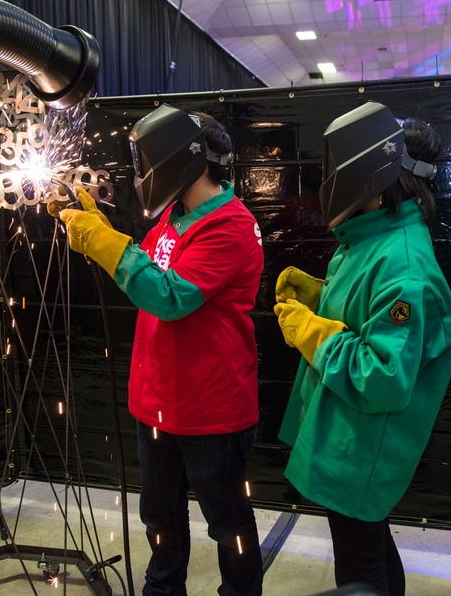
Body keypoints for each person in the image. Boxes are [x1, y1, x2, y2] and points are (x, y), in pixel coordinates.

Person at [59, 104, 264, 596]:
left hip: (211, 410)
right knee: (159, 516)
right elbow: (148, 267)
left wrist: (105, 244)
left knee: (227, 522)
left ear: (185, 159)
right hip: (157, 403)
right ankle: (164, 588)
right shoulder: (175, 215)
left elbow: (169, 296)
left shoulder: (231, 228)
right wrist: (99, 229)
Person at [273, 101, 451, 596]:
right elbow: (366, 314)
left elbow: (382, 376)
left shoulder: (404, 264)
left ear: (378, 180)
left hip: (360, 446)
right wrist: (320, 295)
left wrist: (310, 330)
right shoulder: (371, 237)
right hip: (343, 435)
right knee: (369, 547)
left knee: (359, 573)